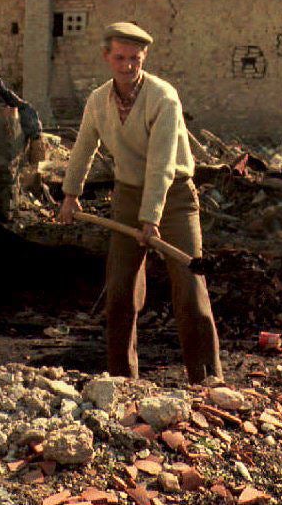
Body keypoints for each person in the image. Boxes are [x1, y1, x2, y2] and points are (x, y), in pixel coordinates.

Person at [59, 22, 223, 384]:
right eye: (120, 57)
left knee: (191, 290)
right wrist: (70, 196)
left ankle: (208, 380)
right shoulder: (98, 100)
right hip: (129, 195)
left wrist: (152, 218)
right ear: (107, 57)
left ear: (143, 58)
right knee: (119, 292)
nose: (127, 65)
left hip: (175, 196)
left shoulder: (163, 97)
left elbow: (162, 163)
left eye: (134, 58)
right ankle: (122, 381)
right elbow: (84, 147)